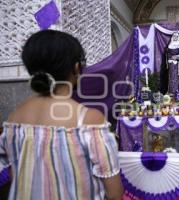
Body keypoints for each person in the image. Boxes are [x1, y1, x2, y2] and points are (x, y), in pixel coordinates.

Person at [0, 30, 123, 200]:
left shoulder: (14, 119)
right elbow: (115, 193)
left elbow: (17, 177)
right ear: (76, 68)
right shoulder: (89, 120)